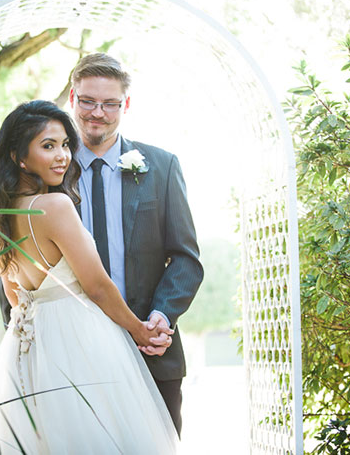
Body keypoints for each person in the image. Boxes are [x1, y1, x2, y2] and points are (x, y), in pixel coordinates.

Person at [0, 100, 179, 453]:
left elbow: (14, 296)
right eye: (48, 145)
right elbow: (97, 286)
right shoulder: (54, 206)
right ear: (19, 158)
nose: (62, 156)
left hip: (29, 349)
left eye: (65, 144)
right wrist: (137, 328)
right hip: (80, 339)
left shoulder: (1, 215)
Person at [65, 53, 204, 434]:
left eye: (110, 103)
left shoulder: (161, 166)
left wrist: (162, 316)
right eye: (88, 101)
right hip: (69, 353)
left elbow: (185, 259)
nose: (98, 113)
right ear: (72, 99)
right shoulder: (49, 170)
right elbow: (17, 261)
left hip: (150, 348)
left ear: (125, 105)